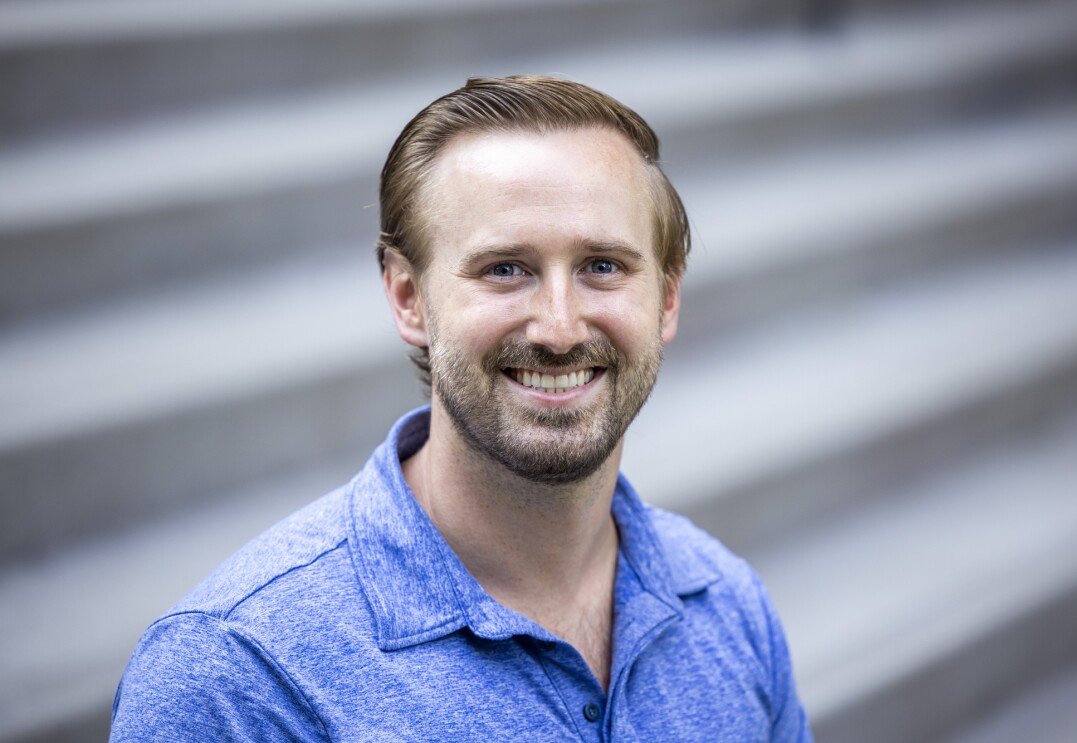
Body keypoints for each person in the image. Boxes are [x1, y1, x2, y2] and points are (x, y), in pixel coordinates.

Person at [110, 75, 812, 741]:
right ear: (408, 298)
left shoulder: (727, 603)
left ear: (665, 297)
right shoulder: (235, 675)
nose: (559, 327)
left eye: (603, 266)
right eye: (505, 268)